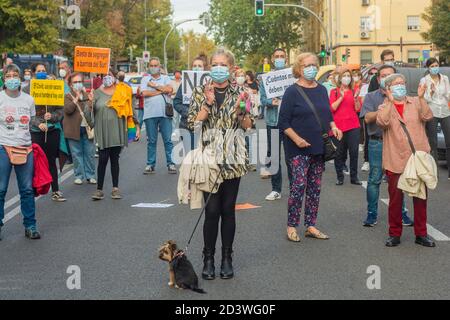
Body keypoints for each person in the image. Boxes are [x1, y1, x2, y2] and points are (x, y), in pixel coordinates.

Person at [187, 48, 254, 280]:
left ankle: (227, 258)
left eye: (222, 64)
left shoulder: (242, 92)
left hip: (233, 159)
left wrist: (241, 112)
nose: (218, 68)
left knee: (228, 210)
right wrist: (206, 105)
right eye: (214, 64)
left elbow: (248, 126)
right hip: (209, 160)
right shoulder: (200, 92)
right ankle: (208, 258)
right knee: (212, 211)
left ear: (231, 68)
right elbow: (192, 125)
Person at [278, 53, 343, 242]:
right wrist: (297, 139)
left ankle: (310, 225)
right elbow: (283, 121)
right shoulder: (292, 91)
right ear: (299, 68)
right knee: (298, 186)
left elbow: (326, 114)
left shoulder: (322, 89)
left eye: (314, 64)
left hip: (318, 146)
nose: (311, 68)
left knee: (315, 188)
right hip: (297, 147)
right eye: (307, 65)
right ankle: (292, 225)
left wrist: (334, 127)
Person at [376, 73, 435, 247]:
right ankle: (394, 233)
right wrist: (391, 101)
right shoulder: (384, 106)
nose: (400, 86)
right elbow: (382, 122)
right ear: (388, 89)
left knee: (420, 197)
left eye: (402, 83)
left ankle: (421, 233)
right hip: (396, 159)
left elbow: (427, 116)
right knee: (395, 199)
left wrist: (422, 98)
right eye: (396, 84)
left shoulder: (416, 102)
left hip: (418, 158)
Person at [360, 65, 414, 227]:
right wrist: (386, 107)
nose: (386, 78)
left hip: (398, 144)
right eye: (383, 76)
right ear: (378, 80)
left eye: (390, 75)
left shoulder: (405, 99)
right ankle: (371, 214)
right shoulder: (371, 97)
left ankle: (402, 212)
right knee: (374, 179)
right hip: (378, 142)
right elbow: (368, 118)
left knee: (399, 179)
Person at [0, 64, 40, 240]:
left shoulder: (28, 100)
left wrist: (40, 122)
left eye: (15, 75)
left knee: (27, 190)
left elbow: (32, 121)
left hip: (25, 149)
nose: (12, 79)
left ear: (20, 78)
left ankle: (30, 226)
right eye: (8, 76)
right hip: (3, 147)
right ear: (4, 79)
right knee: (1, 190)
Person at [87, 69, 138, 200]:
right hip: (103, 132)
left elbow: (130, 109)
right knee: (103, 159)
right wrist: (89, 103)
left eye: (109, 75)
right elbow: (89, 117)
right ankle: (99, 190)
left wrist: (136, 126)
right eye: (104, 76)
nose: (107, 78)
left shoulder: (122, 90)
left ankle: (115, 189)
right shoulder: (97, 92)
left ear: (115, 77)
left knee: (115, 159)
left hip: (117, 131)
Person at [29, 63, 66, 202]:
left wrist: (53, 117)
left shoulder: (53, 87)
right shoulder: (27, 89)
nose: (42, 73)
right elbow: (26, 114)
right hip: (35, 131)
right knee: (34, 161)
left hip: (52, 131)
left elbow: (60, 110)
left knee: (51, 161)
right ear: (34, 73)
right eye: (39, 71)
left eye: (44, 71)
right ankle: (32, 190)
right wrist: (38, 123)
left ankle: (55, 190)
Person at [259, 48, 292, 199]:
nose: (279, 58)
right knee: (274, 157)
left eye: (282, 56)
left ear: (286, 59)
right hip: (273, 121)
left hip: (291, 123)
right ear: (272, 59)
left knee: (291, 156)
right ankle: (276, 189)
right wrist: (271, 102)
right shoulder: (266, 78)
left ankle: (295, 187)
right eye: (277, 56)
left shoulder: (292, 77)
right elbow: (262, 100)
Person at [140, 57, 176, 174]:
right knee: (151, 141)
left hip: (165, 114)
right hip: (150, 114)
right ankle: (150, 164)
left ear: (160, 67)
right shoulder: (145, 79)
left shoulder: (166, 78)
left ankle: (171, 163)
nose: (154, 67)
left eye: (156, 65)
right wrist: (161, 90)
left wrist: (154, 86)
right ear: (149, 67)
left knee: (168, 140)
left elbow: (169, 89)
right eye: (151, 65)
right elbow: (144, 93)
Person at [63, 72, 96, 185]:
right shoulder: (67, 96)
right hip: (73, 130)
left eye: (79, 81)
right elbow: (68, 110)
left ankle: (90, 175)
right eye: (75, 82)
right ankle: (79, 175)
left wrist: (91, 101)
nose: (78, 84)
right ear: (70, 84)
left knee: (89, 153)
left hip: (87, 129)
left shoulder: (87, 95)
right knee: (76, 154)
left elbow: (91, 111)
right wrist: (76, 98)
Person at [330, 68, 362, 185]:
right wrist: (341, 97)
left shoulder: (354, 91)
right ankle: (340, 177)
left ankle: (354, 177)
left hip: (353, 125)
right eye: (344, 75)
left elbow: (358, 108)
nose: (347, 78)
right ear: (340, 78)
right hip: (338, 127)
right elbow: (332, 108)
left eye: (349, 75)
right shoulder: (334, 92)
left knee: (354, 152)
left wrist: (355, 99)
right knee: (339, 152)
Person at [421, 58, 450, 180]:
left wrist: (444, 94)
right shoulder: (424, 80)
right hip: (432, 112)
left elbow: (448, 94)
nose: (435, 67)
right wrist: (431, 92)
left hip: (445, 111)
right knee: (433, 143)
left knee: (449, 142)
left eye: (436, 65)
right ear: (428, 68)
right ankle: (434, 172)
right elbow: (424, 98)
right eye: (432, 65)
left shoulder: (444, 78)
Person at [173, 57, 206, 154]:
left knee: (203, 157)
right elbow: (177, 102)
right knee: (189, 156)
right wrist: (189, 113)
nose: (197, 68)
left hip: (205, 126)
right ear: (191, 68)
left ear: (204, 68)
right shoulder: (184, 84)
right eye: (194, 66)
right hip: (187, 125)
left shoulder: (210, 84)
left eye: (199, 66)